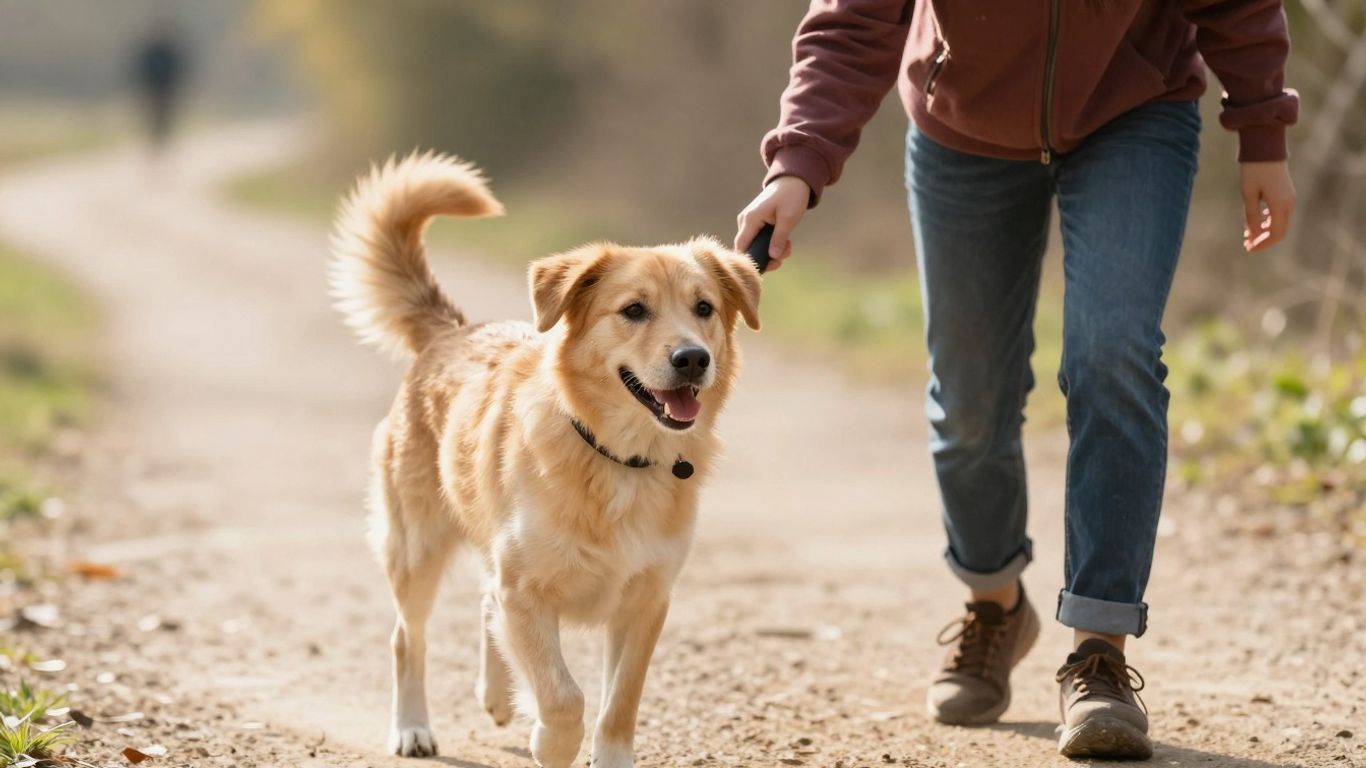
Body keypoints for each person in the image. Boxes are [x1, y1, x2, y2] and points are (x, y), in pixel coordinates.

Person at [735, 0, 1296, 759]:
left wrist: (1262, 129)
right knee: (970, 397)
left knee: (1114, 353)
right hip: (961, 126)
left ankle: (1098, 652)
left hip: (1134, 111)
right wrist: (797, 163)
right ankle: (995, 606)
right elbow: (852, 21)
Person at [133, 20, 187, 155]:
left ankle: (163, 139)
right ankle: (155, 139)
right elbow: (143, 69)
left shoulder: (169, 51)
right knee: (154, 114)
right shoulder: (151, 51)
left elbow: (177, 69)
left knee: (165, 114)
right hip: (153, 87)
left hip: (166, 87)